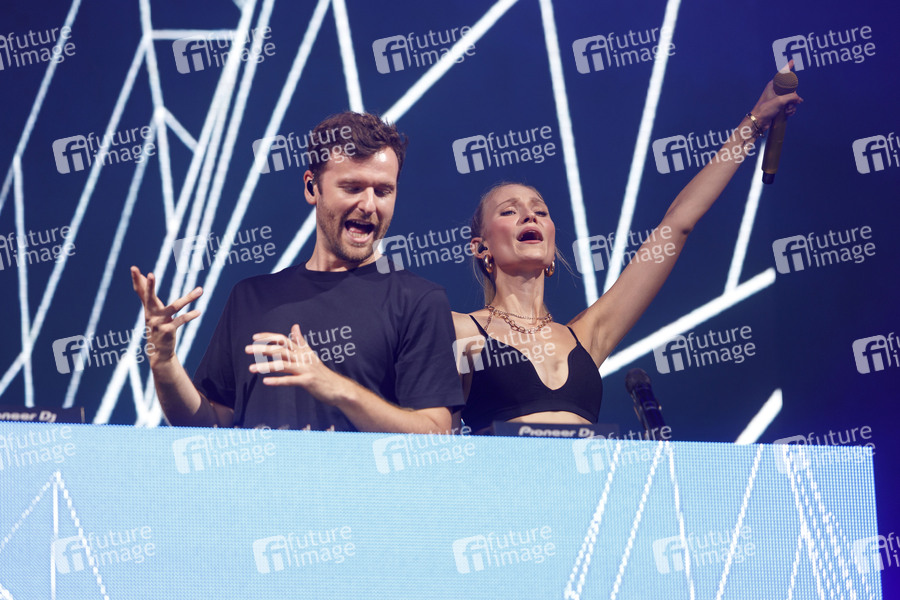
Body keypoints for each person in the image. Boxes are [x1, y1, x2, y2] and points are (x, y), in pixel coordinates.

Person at [452, 70, 802, 433]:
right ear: (481, 248)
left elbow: (677, 224)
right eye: (509, 211)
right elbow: (436, 438)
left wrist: (754, 123)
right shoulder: (459, 330)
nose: (530, 216)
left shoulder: (587, 336)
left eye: (540, 211)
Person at [131, 112, 463, 432]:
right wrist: (164, 363)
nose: (369, 205)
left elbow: (435, 434)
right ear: (311, 187)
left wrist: (338, 389)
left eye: (383, 191)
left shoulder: (419, 301)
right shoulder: (251, 297)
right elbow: (210, 424)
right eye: (352, 188)